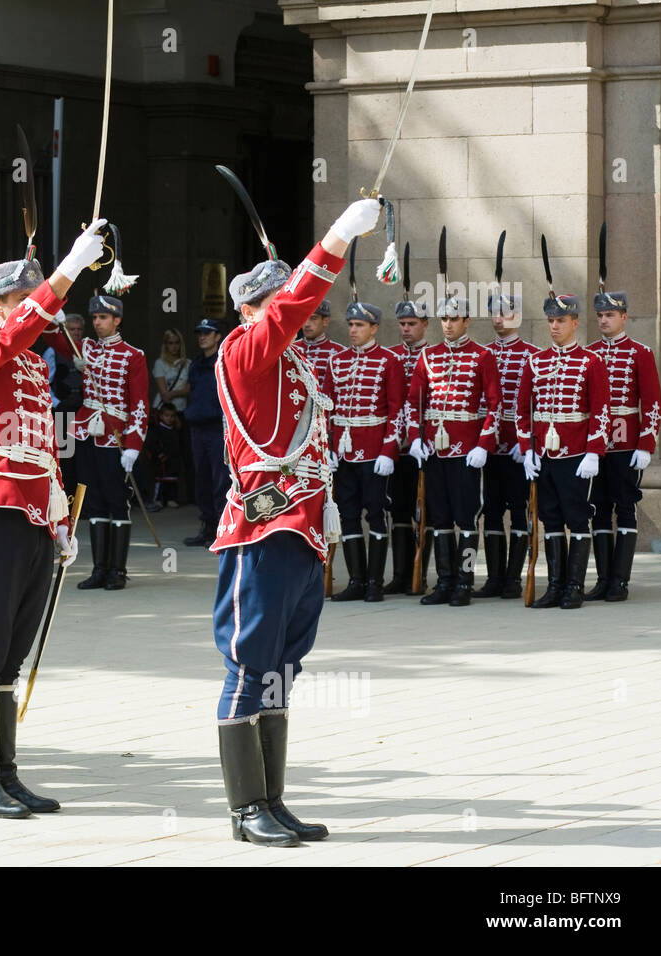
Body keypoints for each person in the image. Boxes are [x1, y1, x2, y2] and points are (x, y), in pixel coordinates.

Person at [212, 197, 381, 847]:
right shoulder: (246, 350)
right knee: (249, 666)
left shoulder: (292, 361)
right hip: (262, 530)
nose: (298, 312)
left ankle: (271, 799)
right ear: (253, 309)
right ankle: (244, 808)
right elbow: (289, 310)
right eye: (280, 302)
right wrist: (337, 237)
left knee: (283, 668)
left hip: (304, 530)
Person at [0, 223, 104, 818]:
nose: (36, 314)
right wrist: (67, 271)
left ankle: (4, 772)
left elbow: (43, 446)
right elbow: (16, 333)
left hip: (36, 512)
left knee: (13, 654)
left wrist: (61, 514)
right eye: (23, 301)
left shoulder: (33, 368)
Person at [404, 296, 501, 606]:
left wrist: (484, 445)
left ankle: (465, 580)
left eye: (454, 319)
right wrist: (415, 438)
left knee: (467, 520)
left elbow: (495, 405)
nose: (448, 324)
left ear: (467, 321)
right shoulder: (428, 357)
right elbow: (413, 403)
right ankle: (444, 581)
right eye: (444, 318)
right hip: (435, 451)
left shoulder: (482, 356)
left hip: (466, 451)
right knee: (441, 519)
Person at [516, 293, 610, 608]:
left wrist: (594, 451)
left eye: (560, 321)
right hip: (543, 454)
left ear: (575, 323)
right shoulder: (535, 361)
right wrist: (527, 448)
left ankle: (574, 587)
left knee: (577, 518)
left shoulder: (590, 362)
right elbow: (522, 410)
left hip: (575, 455)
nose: (554, 327)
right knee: (551, 519)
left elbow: (601, 410)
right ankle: (555, 585)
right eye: (551, 321)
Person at [585, 290, 661, 601]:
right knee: (599, 510)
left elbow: (653, 401)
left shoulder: (639, 353)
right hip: (595, 447)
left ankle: (620, 581)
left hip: (626, 444)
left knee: (625, 508)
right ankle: (603, 579)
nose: (604, 320)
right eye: (600, 316)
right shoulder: (589, 354)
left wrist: (646, 444)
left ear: (624, 317)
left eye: (610, 315)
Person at [324, 301, 403, 601]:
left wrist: (388, 450)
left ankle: (375, 582)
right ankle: (356, 581)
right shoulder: (337, 360)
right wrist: (329, 448)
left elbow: (397, 410)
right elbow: (328, 409)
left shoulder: (388, 361)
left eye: (359, 325)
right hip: (344, 452)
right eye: (351, 325)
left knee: (377, 513)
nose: (353, 330)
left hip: (373, 450)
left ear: (374, 328)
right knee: (348, 514)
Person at [70, 294, 148, 591]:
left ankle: (118, 570)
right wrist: (52, 316)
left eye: (103, 317)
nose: (97, 323)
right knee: (92, 501)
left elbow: (139, 403)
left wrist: (133, 445)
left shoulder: (133, 355)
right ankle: (99, 569)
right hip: (86, 432)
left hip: (115, 435)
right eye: (94, 318)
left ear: (117, 320)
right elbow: (56, 338)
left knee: (117, 501)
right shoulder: (86, 348)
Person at [477, 293, 539, 599]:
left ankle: (514, 578)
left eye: (504, 312)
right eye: (493, 313)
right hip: (488, 448)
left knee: (518, 512)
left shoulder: (531, 355)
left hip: (518, 448)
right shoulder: (482, 353)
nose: (498, 318)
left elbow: (537, 406)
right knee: (490, 512)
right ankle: (494, 578)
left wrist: (528, 444)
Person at [385, 298, 430, 593]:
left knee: (423, 511)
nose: (406, 329)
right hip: (395, 448)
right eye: (402, 324)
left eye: (412, 324)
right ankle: (400, 574)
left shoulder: (434, 356)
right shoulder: (391, 356)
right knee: (398, 511)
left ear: (425, 325)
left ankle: (419, 574)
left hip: (425, 445)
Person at [184, 319, 225, 546]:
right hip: (197, 428)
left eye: (207, 333)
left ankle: (221, 528)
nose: (202, 337)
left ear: (218, 336)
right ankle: (208, 526)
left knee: (220, 480)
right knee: (202, 480)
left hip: (217, 428)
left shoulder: (223, 362)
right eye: (200, 333)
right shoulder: (197, 364)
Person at [143, 401, 185, 509]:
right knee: (160, 483)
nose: (169, 418)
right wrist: (159, 453)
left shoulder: (176, 430)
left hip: (173, 461)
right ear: (161, 416)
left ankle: (171, 499)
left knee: (172, 482)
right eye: (167, 416)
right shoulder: (157, 430)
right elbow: (152, 444)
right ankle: (158, 499)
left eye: (172, 416)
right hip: (161, 461)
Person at [301, 299, 344, 392]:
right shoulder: (292, 348)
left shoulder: (339, 352)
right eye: (304, 318)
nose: (307, 324)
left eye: (313, 318)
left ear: (326, 321)